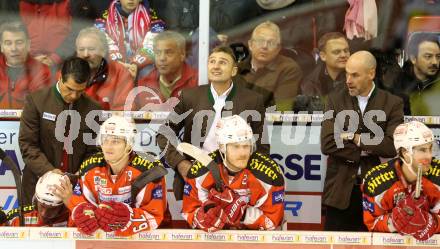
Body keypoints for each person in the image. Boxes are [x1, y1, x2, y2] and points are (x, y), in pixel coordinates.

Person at [157, 45, 267, 201]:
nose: (215, 66)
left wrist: (247, 178)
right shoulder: (190, 97)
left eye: (222, 62)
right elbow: (164, 133)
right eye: (212, 61)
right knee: (199, 223)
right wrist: (181, 164)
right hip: (197, 178)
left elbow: (262, 147)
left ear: (234, 71)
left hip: (237, 182)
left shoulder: (252, 100)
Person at [320, 51, 404, 231]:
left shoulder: (393, 103)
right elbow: (327, 143)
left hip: (378, 191)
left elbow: (391, 146)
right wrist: (371, 147)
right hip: (339, 192)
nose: (348, 80)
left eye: (355, 75)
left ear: (371, 74)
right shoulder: (334, 100)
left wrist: (354, 137)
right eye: (347, 74)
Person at [55, 116, 167, 236]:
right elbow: (81, 204)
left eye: (115, 141)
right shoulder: (90, 167)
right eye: (105, 140)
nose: (108, 146)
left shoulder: (149, 169)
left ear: (129, 145)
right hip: (103, 239)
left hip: (148, 239)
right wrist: (81, 211)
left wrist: (128, 218)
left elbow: (154, 214)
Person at [19, 57, 101, 206]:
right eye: (70, 89)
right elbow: (27, 145)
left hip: (76, 189)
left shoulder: (93, 108)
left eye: (80, 91)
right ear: (60, 78)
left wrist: (80, 174)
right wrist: (49, 171)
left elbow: (93, 151)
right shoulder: (36, 101)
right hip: (36, 183)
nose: (74, 96)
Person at [182, 115, 284, 232]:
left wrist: (244, 214)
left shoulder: (268, 174)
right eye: (236, 147)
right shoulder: (200, 170)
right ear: (222, 147)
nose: (243, 153)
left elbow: (272, 223)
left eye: (246, 146)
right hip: (214, 237)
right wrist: (202, 217)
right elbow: (189, 211)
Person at [362, 121, 440, 241]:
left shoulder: (438, 175)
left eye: (430, 149)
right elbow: (372, 223)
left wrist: (429, 222)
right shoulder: (376, 180)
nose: (429, 156)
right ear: (405, 152)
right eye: (422, 150)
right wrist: (393, 223)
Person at [237, 21, 302, 111]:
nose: (264, 46)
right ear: (250, 45)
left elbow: (281, 109)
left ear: (278, 49)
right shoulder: (236, 68)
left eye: (271, 43)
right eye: (260, 41)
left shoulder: (288, 68)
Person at [96, 0, 165, 78]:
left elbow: (153, 42)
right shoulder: (106, 15)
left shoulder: (151, 16)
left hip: (142, 62)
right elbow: (102, 39)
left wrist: (136, 64)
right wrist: (117, 62)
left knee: (148, 72)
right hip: (114, 60)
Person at [136, 30, 198, 111]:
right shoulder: (144, 84)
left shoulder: (197, 81)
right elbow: (135, 120)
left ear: (182, 55)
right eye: (158, 53)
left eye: (169, 53)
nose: (162, 58)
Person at [75, 27, 134, 110]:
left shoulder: (120, 72)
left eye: (91, 49)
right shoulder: (66, 73)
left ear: (103, 51)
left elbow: (124, 110)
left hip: (109, 122)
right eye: (81, 49)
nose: (85, 54)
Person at [0, 21, 51, 109]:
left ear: (28, 45)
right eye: (8, 43)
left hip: (27, 121)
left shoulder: (42, 71)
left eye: (19, 42)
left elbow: (40, 108)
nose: (13, 48)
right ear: (1, 46)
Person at [299, 32, 349, 111]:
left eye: (346, 51)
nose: (343, 55)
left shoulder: (359, 77)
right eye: (337, 52)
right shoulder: (310, 83)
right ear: (323, 56)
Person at [393, 33, 440, 115]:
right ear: (413, 58)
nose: (435, 62)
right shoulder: (397, 85)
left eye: (438, 57)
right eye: (428, 56)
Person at [6, 171, 72, 227]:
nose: (44, 213)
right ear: (35, 201)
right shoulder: (22, 220)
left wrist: (71, 203)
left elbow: (81, 224)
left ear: (62, 207)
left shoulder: (72, 217)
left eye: (52, 209)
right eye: (42, 206)